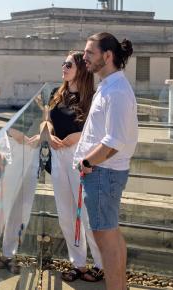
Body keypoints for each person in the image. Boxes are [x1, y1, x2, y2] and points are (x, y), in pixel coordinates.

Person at [75, 33, 137, 290]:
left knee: (106, 242)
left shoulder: (117, 91)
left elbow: (114, 141)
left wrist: (87, 163)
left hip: (102, 174)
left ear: (107, 56)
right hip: (104, 174)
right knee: (111, 235)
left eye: (90, 53)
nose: (84, 58)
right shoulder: (109, 86)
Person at [46, 51, 104, 282]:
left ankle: (100, 264)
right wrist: (49, 133)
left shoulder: (93, 97)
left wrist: (77, 137)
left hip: (79, 157)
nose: (64, 67)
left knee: (87, 216)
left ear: (80, 68)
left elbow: (102, 130)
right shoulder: (56, 93)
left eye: (68, 64)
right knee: (65, 216)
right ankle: (78, 263)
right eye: (63, 63)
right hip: (57, 156)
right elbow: (48, 118)